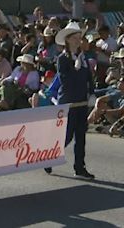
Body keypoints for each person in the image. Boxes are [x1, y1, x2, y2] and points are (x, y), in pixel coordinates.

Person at [45, 22, 96, 179]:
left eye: (79, 38)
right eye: (74, 38)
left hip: (81, 101)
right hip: (68, 103)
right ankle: (49, 157)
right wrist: (76, 68)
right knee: (66, 136)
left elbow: (89, 78)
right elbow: (65, 80)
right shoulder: (62, 59)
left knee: (81, 136)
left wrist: (92, 93)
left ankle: (80, 167)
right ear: (67, 40)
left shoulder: (83, 57)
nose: (77, 41)